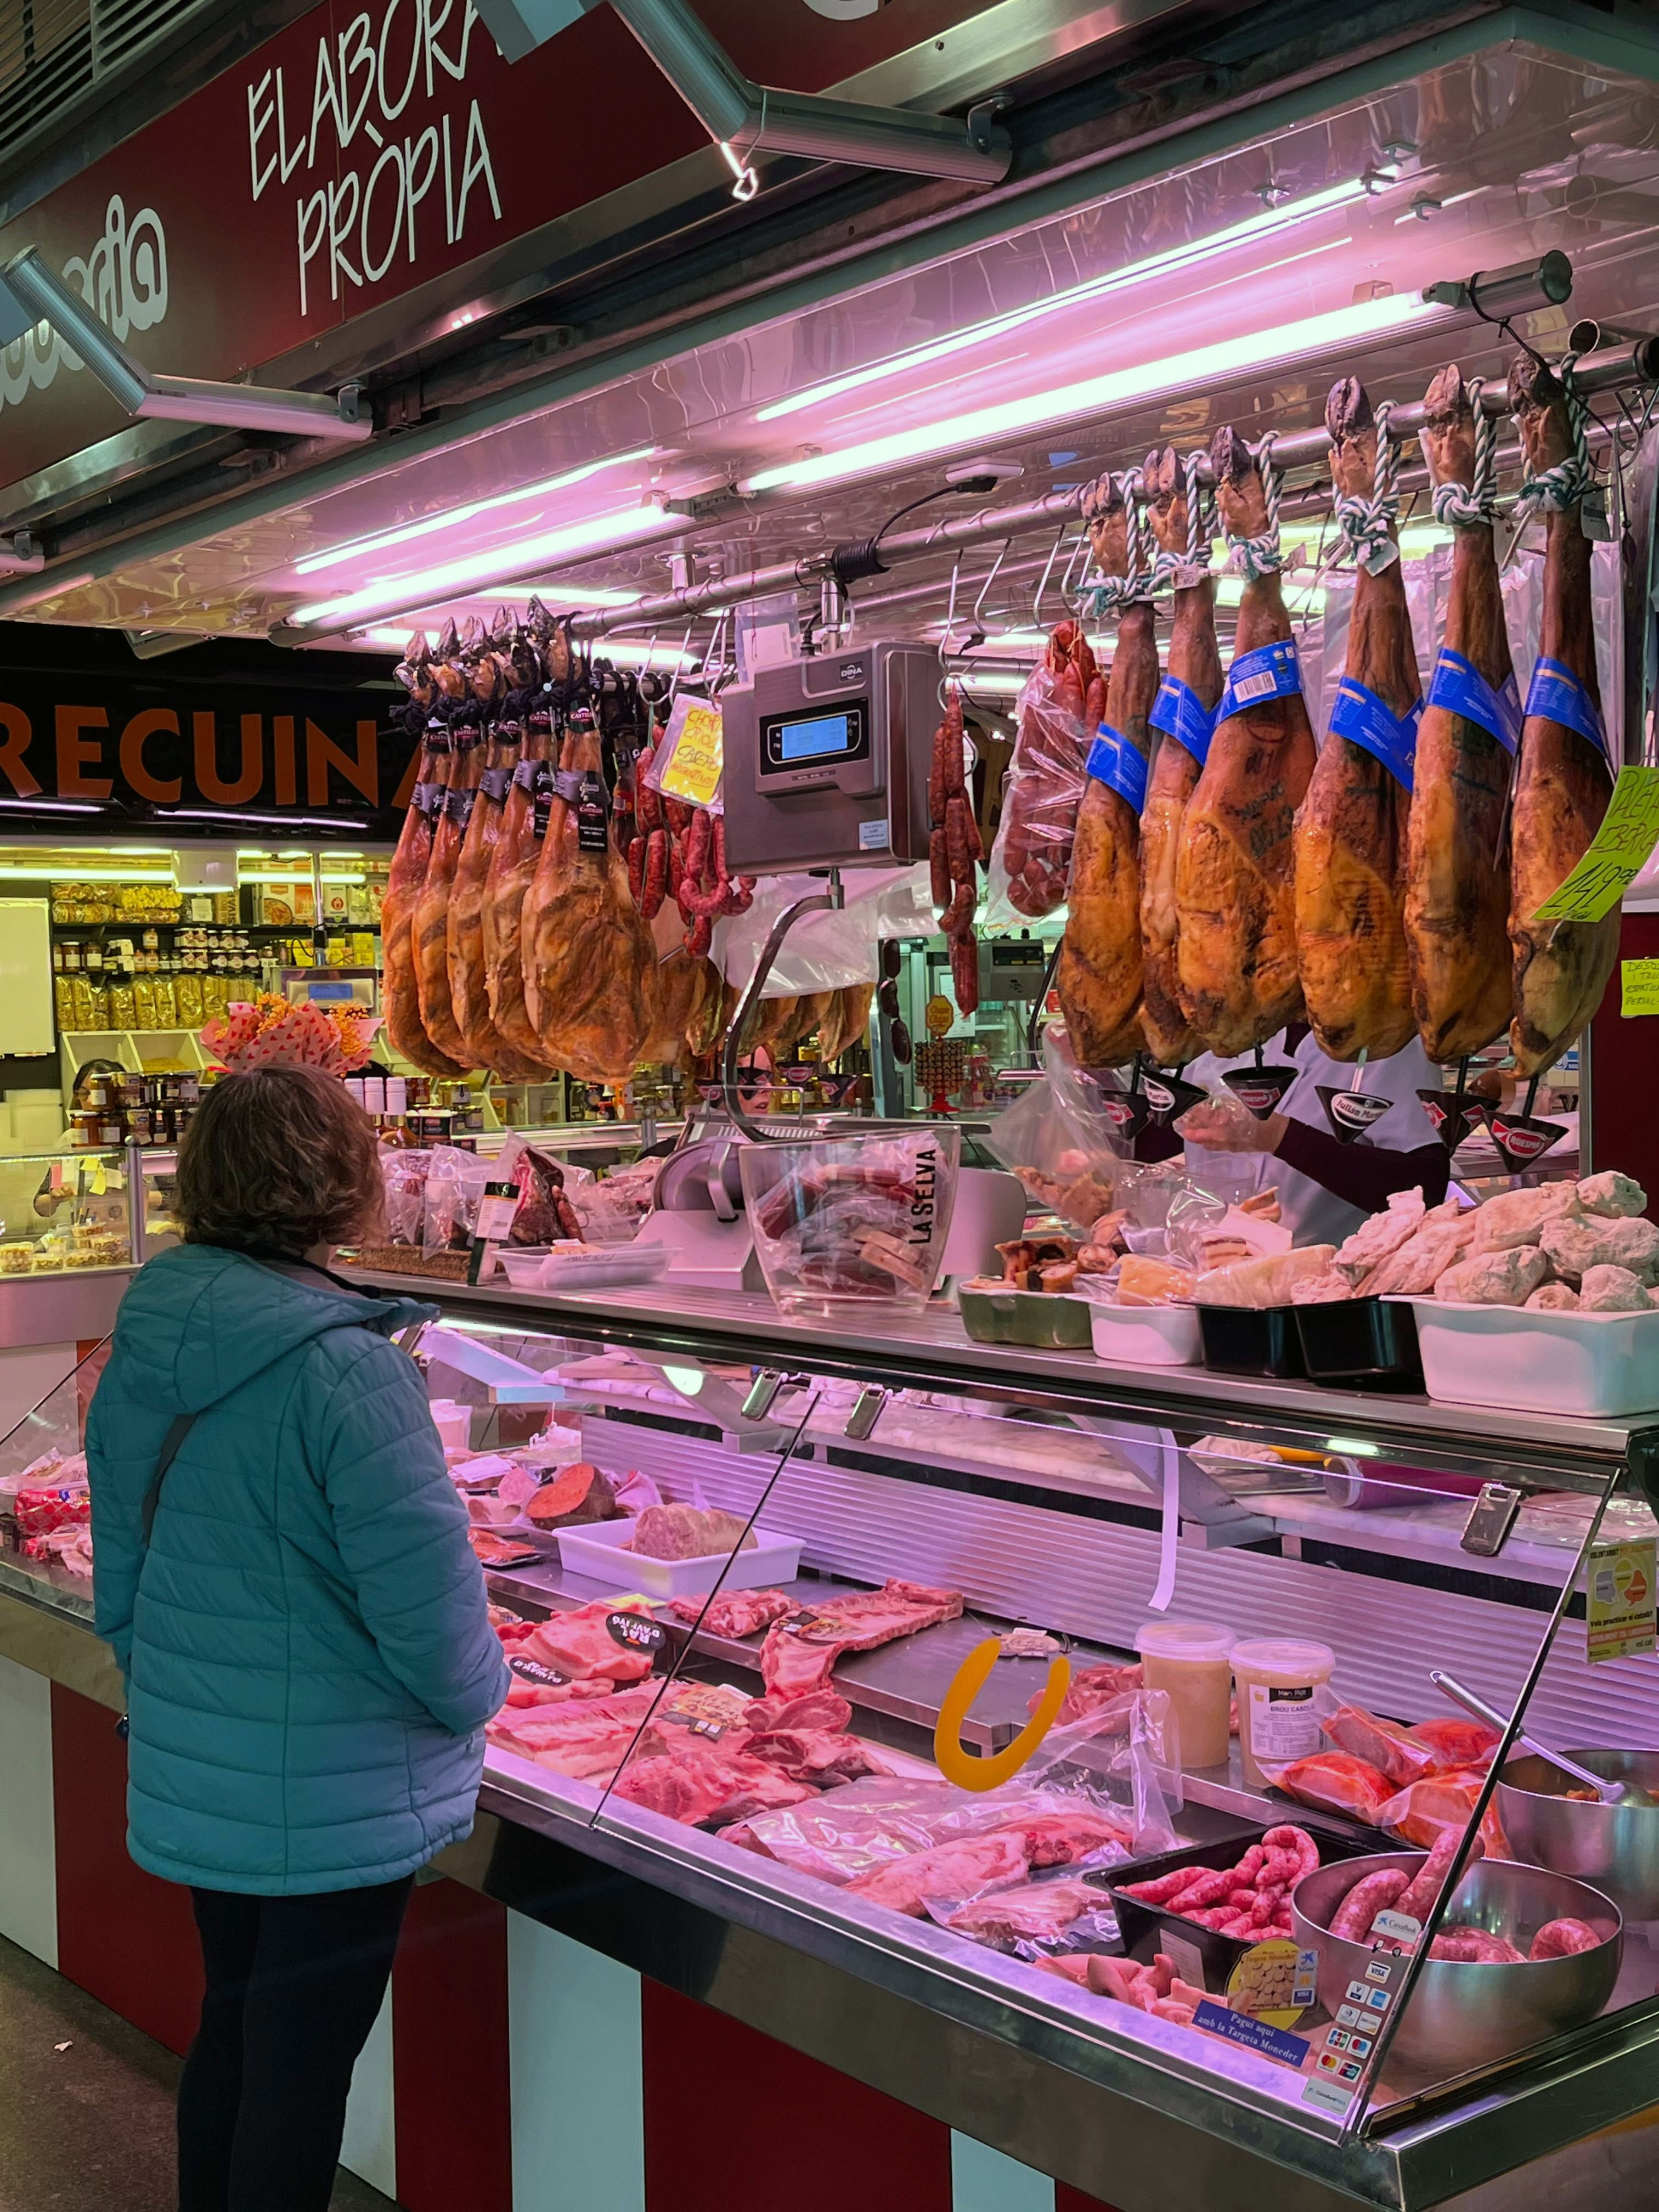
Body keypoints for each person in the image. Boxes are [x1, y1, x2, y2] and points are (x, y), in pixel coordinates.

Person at [84, 1063, 509, 2212]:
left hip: (204, 1769)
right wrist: (485, 1697)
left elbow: (120, 1580)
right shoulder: (351, 1368)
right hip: (336, 1799)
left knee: (234, 2025)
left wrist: (186, 1702)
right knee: (301, 2071)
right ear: (345, 1182)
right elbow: (435, 1622)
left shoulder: (147, 1339)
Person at [1147, 1024, 1451, 1245]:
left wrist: (1279, 1136)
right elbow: (1154, 1140)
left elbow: (1426, 1188)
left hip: (1333, 1288)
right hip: (1207, 1272)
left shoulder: (1391, 1043)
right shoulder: (1218, 1033)